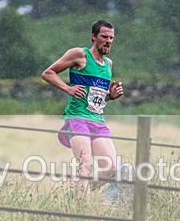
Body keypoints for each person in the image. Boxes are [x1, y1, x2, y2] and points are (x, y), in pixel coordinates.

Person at [42, 20, 125, 196]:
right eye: (104, 36)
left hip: (97, 120)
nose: (108, 41)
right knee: (85, 163)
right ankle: (82, 208)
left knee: (112, 170)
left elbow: (96, 97)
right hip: (77, 118)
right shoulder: (79, 54)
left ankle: (76, 196)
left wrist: (111, 96)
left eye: (111, 37)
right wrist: (67, 88)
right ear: (94, 37)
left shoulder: (108, 64)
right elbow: (48, 73)